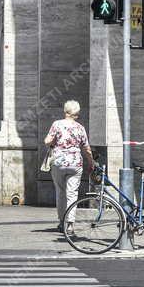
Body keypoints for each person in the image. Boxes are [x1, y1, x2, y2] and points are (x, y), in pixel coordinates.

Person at [43, 100, 94, 234]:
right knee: (72, 194)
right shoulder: (80, 128)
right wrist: (91, 162)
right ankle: (70, 224)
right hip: (75, 163)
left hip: (59, 163)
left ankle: (61, 222)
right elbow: (87, 148)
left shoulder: (57, 124)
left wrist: (54, 141)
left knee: (60, 193)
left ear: (65, 111)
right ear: (76, 113)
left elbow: (47, 141)